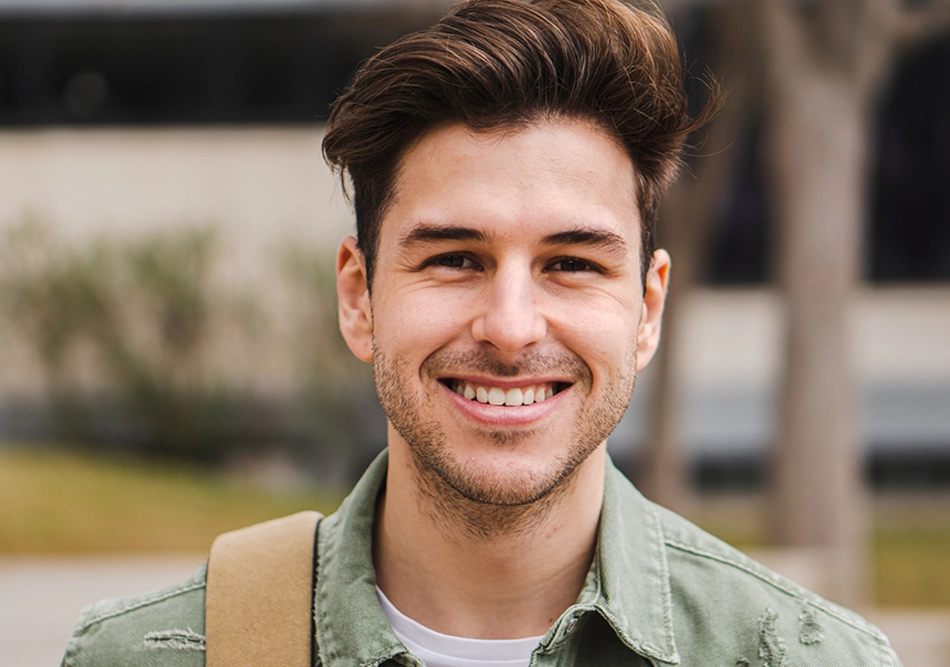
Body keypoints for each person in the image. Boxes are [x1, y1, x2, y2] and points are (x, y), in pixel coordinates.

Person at [63, 1, 903, 666]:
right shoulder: (153, 657)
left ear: (647, 310)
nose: (509, 328)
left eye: (572, 263)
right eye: (457, 258)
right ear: (359, 296)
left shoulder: (802, 656)